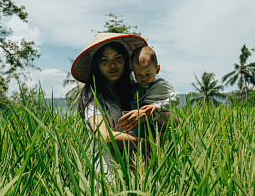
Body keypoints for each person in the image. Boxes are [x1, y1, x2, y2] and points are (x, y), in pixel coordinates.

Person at [71, 32, 178, 174]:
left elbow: (174, 122)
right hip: (109, 171)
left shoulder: (138, 88)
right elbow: (105, 136)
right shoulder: (93, 95)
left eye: (118, 58)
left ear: (126, 62)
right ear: (96, 66)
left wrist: (149, 114)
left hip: (142, 171)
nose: (112, 64)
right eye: (104, 60)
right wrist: (150, 143)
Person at [127, 46, 179, 138]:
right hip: (139, 123)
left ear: (157, 69)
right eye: (138, 74)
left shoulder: (160, 85)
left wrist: (157, 106)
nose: (143, 78)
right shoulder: (135, 87)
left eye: (148, 74)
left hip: (155, 123)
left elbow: (175, 99)